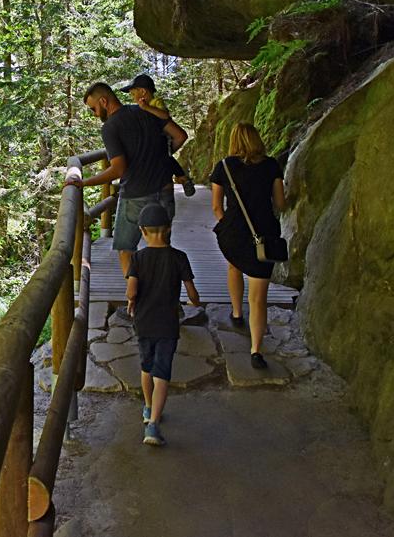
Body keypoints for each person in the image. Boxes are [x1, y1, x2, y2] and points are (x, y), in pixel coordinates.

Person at [67, 82, 188, 278]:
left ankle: (135, 300)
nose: (95, 114)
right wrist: (160, 157)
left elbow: (118, 169)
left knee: (125, 248)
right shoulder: (147, 111)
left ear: (104, 101)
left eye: (93, 109)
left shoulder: (111, 127)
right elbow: (180, 136)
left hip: (136, 195)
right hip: (165, 190)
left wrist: (85, 182)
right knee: (163, 249)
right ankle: (167, 299)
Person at [209, 122, 287, 369]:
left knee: (234, 267)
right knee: (258, 298)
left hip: (233, 233)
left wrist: (229, 225)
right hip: (264, 235)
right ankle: (255, 350)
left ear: (233, 140)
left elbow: (216, 207)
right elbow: (280, 203)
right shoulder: (272, 165)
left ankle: (236, 313)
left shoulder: (224, 166)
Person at [126, 203, 202, 446]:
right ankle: (153, 425)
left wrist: (132, 302)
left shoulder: (137, 258)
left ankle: (148, 408)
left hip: (144, 322)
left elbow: (131, 290)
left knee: (146, 367)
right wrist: (195, 301)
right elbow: (192, 294)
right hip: (167, 324)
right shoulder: (179, 258)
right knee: (162, 373)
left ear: (142, 231)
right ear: (168, 229)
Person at [121, 73, 197, 197]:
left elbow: (164, 115)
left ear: (143, 91)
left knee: (166, 158)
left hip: (164, 139)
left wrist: (146, 107)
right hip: (156, 143)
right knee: (166, 159)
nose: (132, 98)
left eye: (133, 94)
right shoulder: (145, 107)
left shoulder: (156, 102)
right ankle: (183, 178)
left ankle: (183, 179)